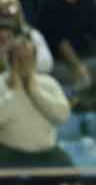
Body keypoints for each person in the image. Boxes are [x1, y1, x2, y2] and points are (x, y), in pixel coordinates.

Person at [0, 11, 71, 168]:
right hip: (10, 155)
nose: (23, 61)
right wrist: (16, 87)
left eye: (27, 56)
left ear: (34, 57)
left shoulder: (49, 83)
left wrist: (33, 89)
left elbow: (62, 116)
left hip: (48, 154)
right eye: (19, 57)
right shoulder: (1, 84)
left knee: (74, 180)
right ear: (9, 58)